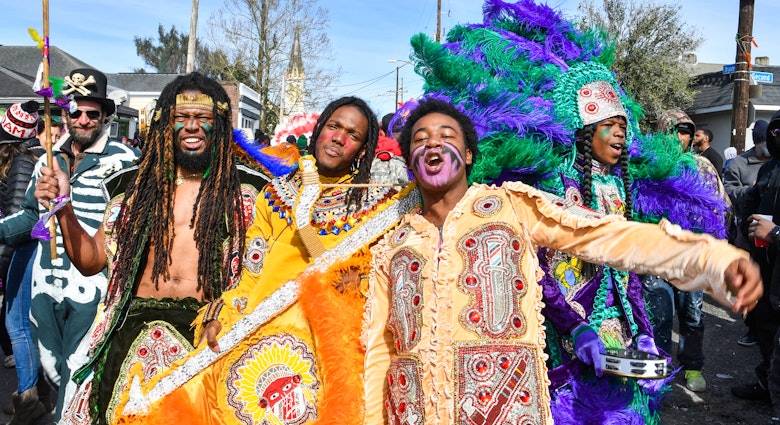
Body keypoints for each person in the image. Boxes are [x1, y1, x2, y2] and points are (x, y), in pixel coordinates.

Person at [363, 97, 762, 424]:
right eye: (420, 138)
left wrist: (709, 258)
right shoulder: (394, 242)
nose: (432, 143)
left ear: (468, 155)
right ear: (409, 157)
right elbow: (381, 348)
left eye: (445, 135)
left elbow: (607, 237)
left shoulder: (512, 206)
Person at [76, 96, 419, 425]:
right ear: (319, 130)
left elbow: (378, 266)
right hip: (257, 331)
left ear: (362, 148)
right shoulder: (275, 194)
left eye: (352, 134)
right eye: (333, 126)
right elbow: (251, 275)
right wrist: (219, 315)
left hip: (323, 340)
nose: (339, 138)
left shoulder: (373, 206)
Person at [34, 72, 271, 425]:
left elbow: (270, 277)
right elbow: (90, 261)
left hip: (207, 336)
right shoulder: (133, 187)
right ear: (164, 124)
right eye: (181, 118)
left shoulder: (251, 192)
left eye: (202, 118)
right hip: (129, 334)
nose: (191, 127)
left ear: (219, 125)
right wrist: (64, 206)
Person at [0, 68, 139, 420]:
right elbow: (31, 217)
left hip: (96, 289)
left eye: (93, 113)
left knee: (81, 375)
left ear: (106, 116)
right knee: (52, 369)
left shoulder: (122, 161)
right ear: (64, 114)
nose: (83, 119)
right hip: (45, 287)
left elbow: (126, 228)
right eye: (75, 110)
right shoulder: (46, 159)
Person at [641, 109, 731, 393]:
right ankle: (662, 368)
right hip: (657, 259)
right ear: (663, 131)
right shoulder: (648, 166)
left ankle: (692, 365)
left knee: (692, 315)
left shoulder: (702, 166)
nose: (682, 137)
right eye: (676, 130)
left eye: (687, 132)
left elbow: (721, 207)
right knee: (661, 315)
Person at [0, 101, 51, 425]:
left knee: (17, 326)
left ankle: (28, 398)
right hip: (31, 248)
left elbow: (25, 220)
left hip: (26, 249)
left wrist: (4, 260)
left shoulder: (21, 164)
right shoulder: (29, 160)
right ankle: (37, 395)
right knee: (26, 327)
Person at [731, 111, 780, 421]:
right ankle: (767, 384)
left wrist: (775, 233)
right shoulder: (772, 167)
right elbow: (752, 201)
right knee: (764, 328)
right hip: (765, 268)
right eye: (774, 133)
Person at [724, 120, 772, 347]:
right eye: (765, 143)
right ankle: (752, 328)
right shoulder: (739, 164)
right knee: (751, 283)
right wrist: (751, 189)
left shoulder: (775, 163)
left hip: (772, 235)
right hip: (748, 234)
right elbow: (729, 192)